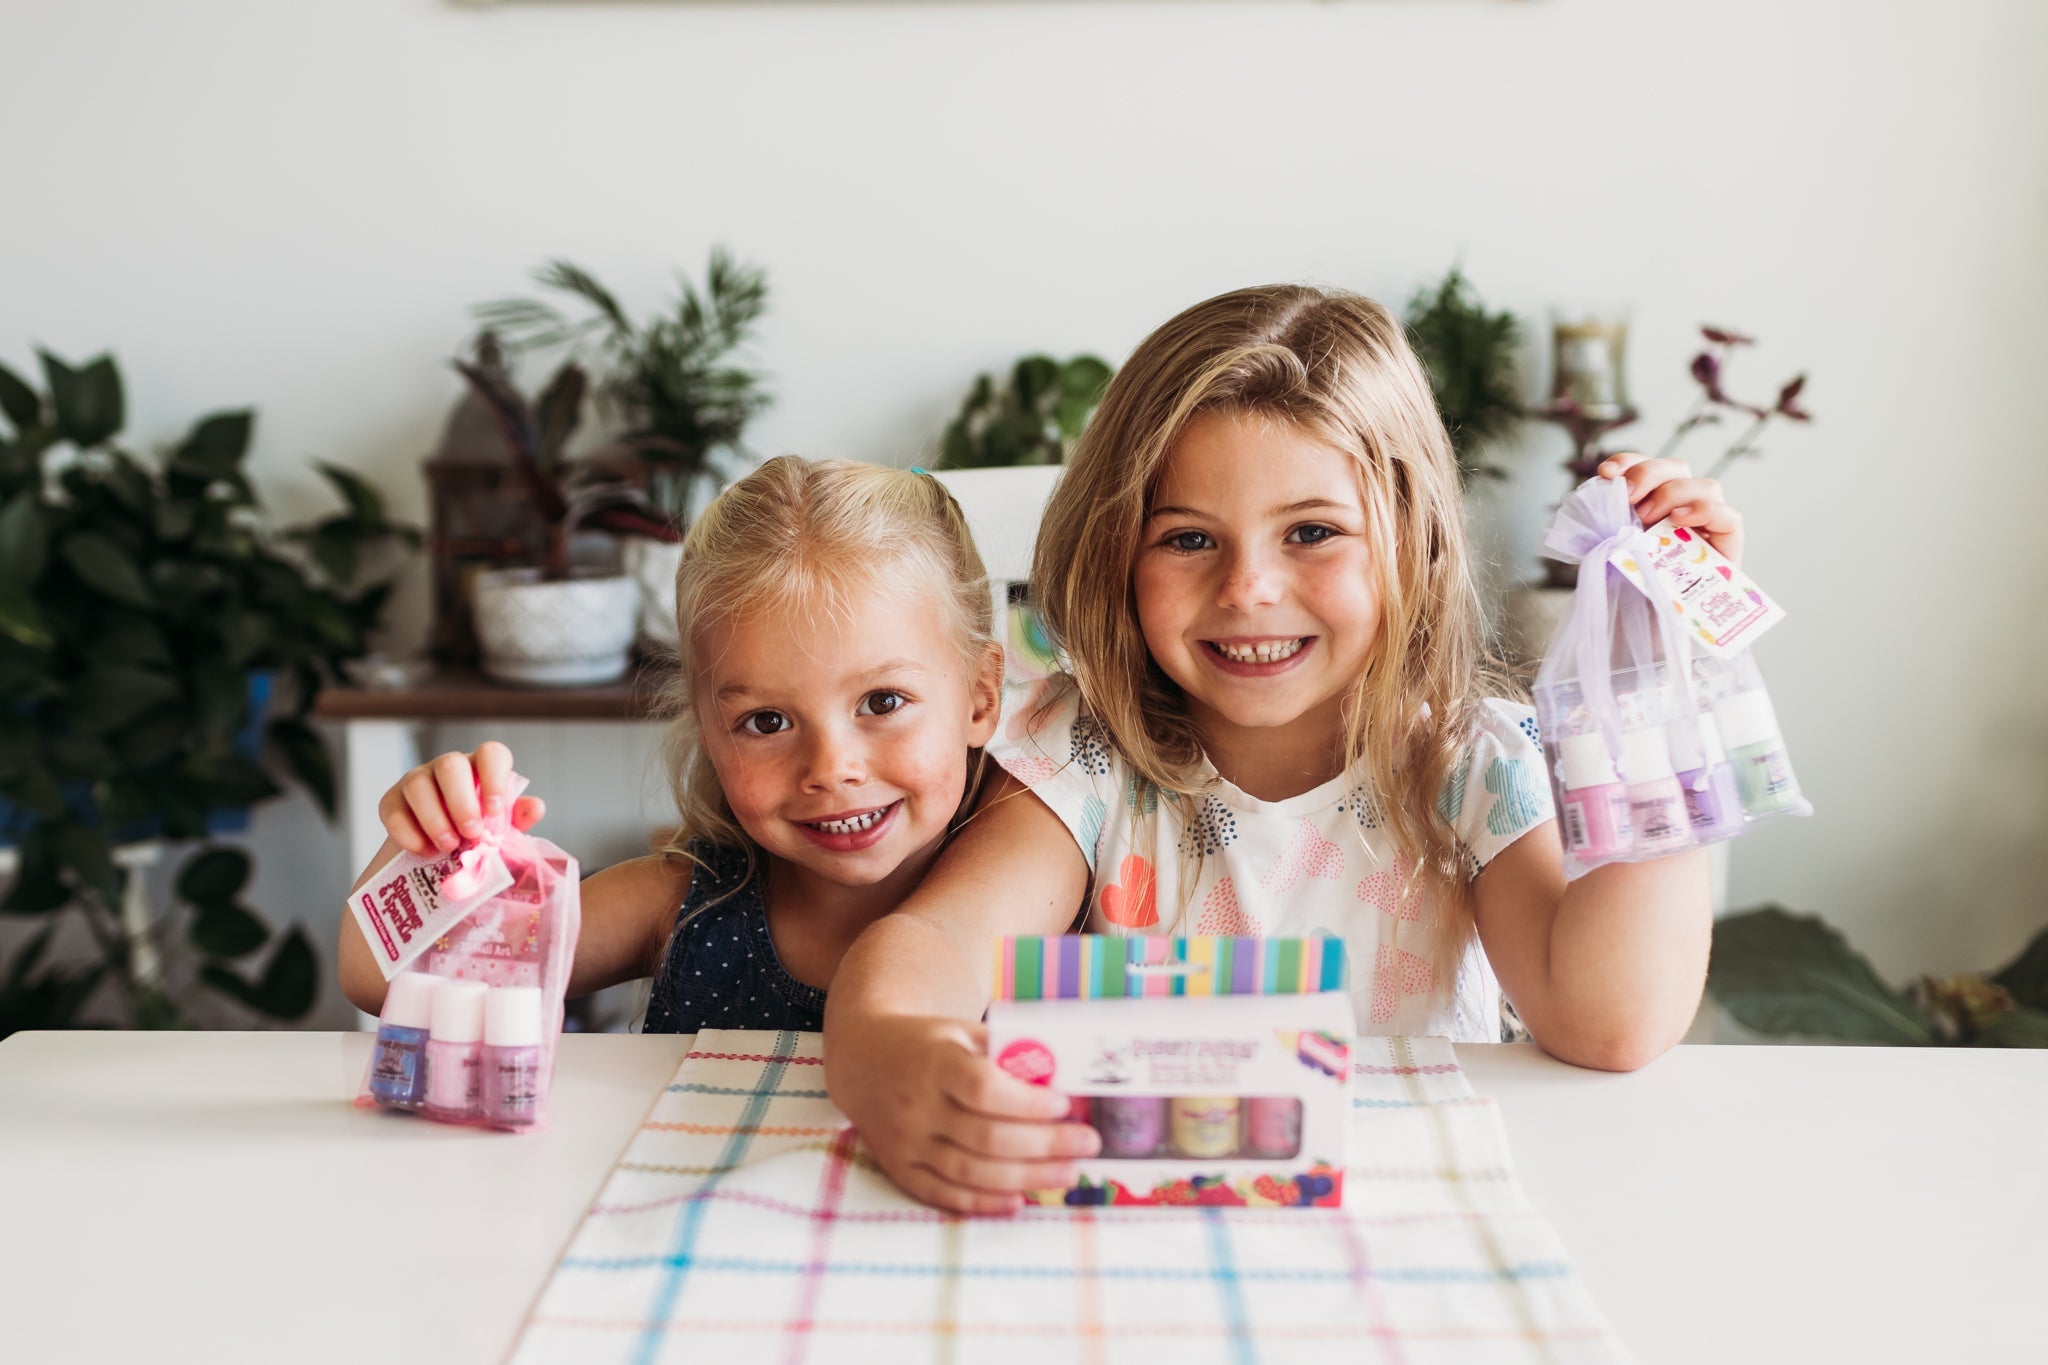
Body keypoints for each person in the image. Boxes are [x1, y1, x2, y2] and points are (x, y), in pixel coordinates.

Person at [822, 284, 1745, 1213]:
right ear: (1117, 558)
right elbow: (936, 942)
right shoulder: (1089, 756)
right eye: (1187, 538)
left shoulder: (1469, 766)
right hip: (1146, 1240)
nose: (1249, 587)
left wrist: (1660, 666)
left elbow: (1612, 1020)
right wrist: (889, 1054)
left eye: (1312, 532)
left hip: (1409, 1221)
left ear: (1412, 543)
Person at [338, 456, 1005, 1033]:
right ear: (708, 730)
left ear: (980, 696)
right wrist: (426, 842)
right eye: (768, 722)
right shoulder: (683, 899)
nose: (832, 770)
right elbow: (383, 980)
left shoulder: (1037, 895)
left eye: (882, 703)